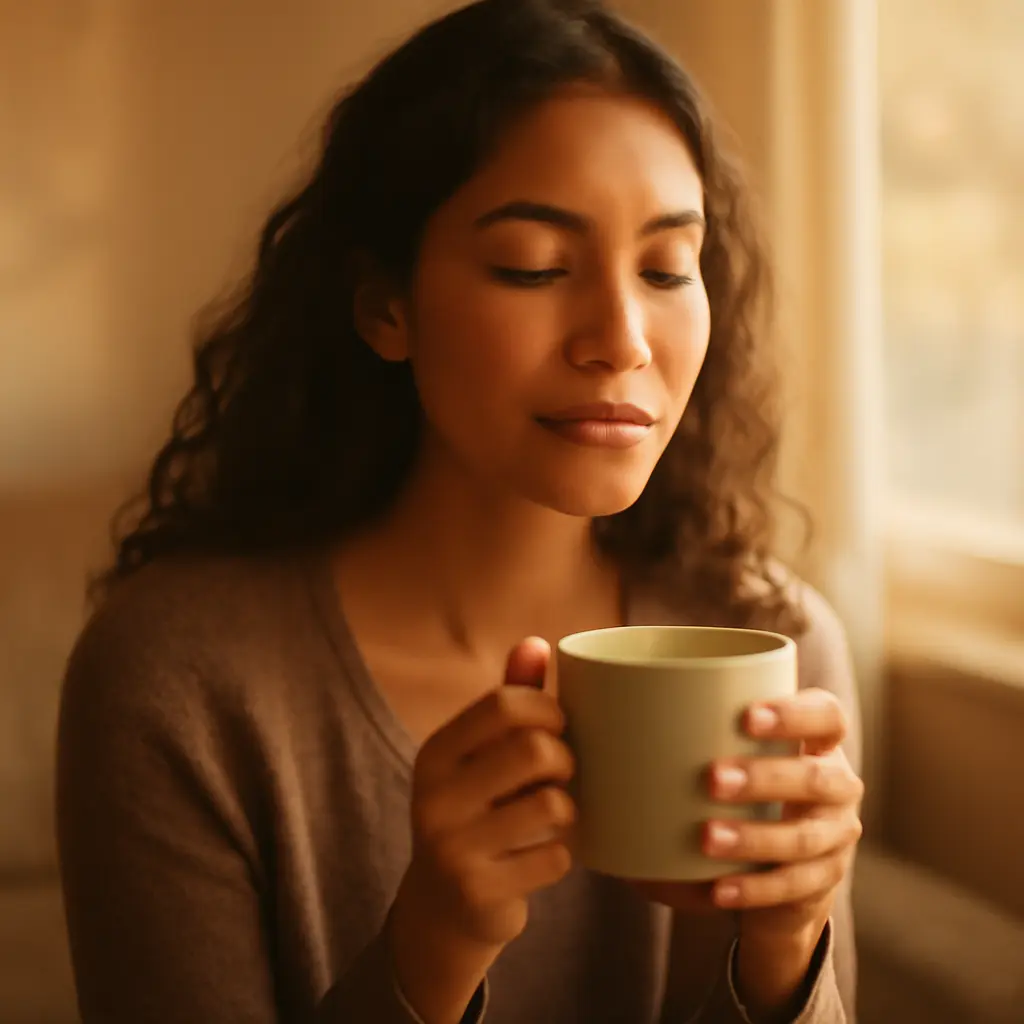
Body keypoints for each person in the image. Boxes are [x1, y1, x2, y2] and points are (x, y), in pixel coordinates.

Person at [55, 1, 864, 1021]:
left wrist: (786, 953)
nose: (622, 339)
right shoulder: (178, 680)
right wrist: (427, 951)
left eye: (666, 268)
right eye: (533, 265)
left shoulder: (775, 645)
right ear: (384, 305)